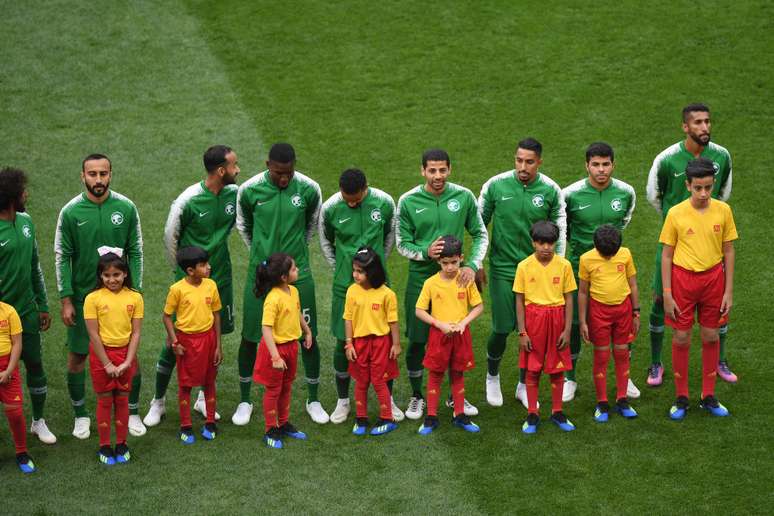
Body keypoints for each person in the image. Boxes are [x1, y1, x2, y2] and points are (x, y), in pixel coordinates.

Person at [144, 145, 238, 427]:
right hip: (188, 278)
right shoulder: (188, 200)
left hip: (220, 277)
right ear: (221, 170)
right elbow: (169, 236)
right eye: (235, 165)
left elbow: (239, 225)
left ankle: (201, 398)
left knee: (210, 340)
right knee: (175, 342)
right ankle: (158, 401)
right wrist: (186, 273)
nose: (238, 170)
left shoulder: (236, 194)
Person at [235, 143, 327, 425]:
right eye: (278, 173)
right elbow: (244, 226)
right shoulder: (249, 190)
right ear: (267, 165)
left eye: (289, 172)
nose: (284, 178)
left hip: (299, 274)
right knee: (251, 336)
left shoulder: (309, 189)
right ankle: (245, 399)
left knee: (307, 336)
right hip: (261, 275)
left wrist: (292, 258)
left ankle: (313, 399)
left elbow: (312, 224)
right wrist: (264, 257)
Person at [55, 154, 145, 439]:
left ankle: (132, 411)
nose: (98, 180)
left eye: (103, 174)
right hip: (85, 299)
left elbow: (137, 250)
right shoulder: (70, 212)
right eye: (92, 174)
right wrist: (66, 299)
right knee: (78, 357)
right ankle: (81, 415)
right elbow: (62, 256)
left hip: (122, 299)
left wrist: (136, 292)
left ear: (110, 174)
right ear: (82, 176)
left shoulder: (126, 207)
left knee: (132, 357)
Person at [646, 103, 735, 386]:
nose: (704, 127)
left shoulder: (722, 156)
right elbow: (654, 195)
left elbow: (723, 193)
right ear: (685, 126)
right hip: (674, 238)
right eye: (697, 123)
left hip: (709, 237)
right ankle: (655, 363)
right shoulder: (667, 159)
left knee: (718, 304)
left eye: (707, 121)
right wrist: (679, 220)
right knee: (661, 299)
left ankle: (720, 359)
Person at [396, 149, 488, 420]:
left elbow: (480, 233)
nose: (437, 176)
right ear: (422, 171)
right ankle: (417, 395)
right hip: (420, 279)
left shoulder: (463, 197)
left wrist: (471, 264)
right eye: (432, 170)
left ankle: (453, 396)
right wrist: (425, 252)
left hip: (456, 279)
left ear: (449, 169)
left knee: (455, 338)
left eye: (442, 170)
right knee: (417, 339)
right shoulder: (409, 201)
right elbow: (401, 243)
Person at [478, 138, 566, 408]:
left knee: (533, 333)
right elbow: (479, 224)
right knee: (503, 328)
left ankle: (522, 384)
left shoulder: (551, 190)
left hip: (537, 271)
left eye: (529, 161)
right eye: (519, 160)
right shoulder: (495, 185)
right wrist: (477, 262)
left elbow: (559, 229)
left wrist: (557, 268)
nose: (523, 166)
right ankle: (492, 376)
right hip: (503, 268)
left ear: (539, 161)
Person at [320, 168, 402, 424]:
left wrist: (375, 271)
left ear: (366, 188)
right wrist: (345, 270)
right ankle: (343, 401)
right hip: (345, 285)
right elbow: (326, 243)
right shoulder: (331, 208)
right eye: (348, 198)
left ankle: (388, 401)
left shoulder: (384, 202)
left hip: (379, 286)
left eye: (356, 198)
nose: (352, 202)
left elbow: (389, 235)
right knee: (342, 340)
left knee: (385, 342)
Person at [659, 158, 737, 420]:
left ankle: (708, 395)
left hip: (714, 280)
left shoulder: (723, 211)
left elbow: (728, 250)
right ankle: (681, 397)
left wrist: (728, 291)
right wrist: (668, 294)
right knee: (681, 337)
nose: (704, 194)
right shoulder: (675, 213)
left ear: (713, 183)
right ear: (688, 185)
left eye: (708, 187)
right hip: (683, 280)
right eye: (698, 188)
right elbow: (667, 256)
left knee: (711, 336)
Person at [562, 142, 638, 402]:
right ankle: (569, 377)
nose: (601, 170)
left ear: (613, 165)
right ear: (587, 166)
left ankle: (624, 380)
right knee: (573, 323)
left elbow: (624, 221)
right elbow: (565, 228)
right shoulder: (569, 195)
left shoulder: (626, 192)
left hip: (614, 270)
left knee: (622, 320)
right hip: (578, 267)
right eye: (595, 164)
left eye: (606, 164)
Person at [0, 167, 55, 444]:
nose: (27, 194)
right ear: (12, 196)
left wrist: (42, 304)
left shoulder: (26, 222)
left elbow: (35, 267)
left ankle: (38, 421)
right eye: (23, 190)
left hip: (27, 311)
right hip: (1, 320)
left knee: (35, 363)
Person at [415, 235, 484, 435]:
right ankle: (431, 417)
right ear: (438, 261)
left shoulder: (466, 279)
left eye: (454, 262)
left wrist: (463, 323)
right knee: (435, 374)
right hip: (439, 335)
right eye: (445, 263)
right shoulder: (430, 283)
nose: (450, 267)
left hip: (461, 335)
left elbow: (479, 307)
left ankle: (459, 414)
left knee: (458, 373)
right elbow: (419, 310)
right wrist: (439, 324)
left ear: (461, 258)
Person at [515, 221, 577, 434]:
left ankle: (557, 411)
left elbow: (569, 299)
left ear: (555, 243)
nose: (546, 248)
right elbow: (519, 301)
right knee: (532, 369)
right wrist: (522, 332)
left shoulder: (564, 265)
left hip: (557, 319)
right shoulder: (524, 266)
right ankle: (533, 413)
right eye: (541, 243)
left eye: (550, 243)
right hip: (534, 321)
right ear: (533, 243)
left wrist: (567, 330)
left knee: (557, 369)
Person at [83, 252, 143, 465]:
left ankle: (122, 443)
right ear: (100, 276)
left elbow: (136, 333)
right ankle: (105, 445)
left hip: (125, 354)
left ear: (125, 274)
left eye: (116, 274)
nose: (112, 279)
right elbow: (93, 334)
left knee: (122, 399)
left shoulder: (135, 297)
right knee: (105, 400)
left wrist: (127, 361)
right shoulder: (92, 298)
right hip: (101, 356)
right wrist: (107, 363)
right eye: (106, 275)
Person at [578, 225, 640, 423]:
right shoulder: (586, 259)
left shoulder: (625, 254)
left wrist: (636, 312)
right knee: (602, 356)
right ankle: (602, 402)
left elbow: (633, 284)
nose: (609, 257)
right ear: (596, 246)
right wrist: (582, 321)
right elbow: (582, 292)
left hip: (623, 311)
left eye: (612, 254)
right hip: (598, 313)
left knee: (622, 353)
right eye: (606, 255)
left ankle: (622, 399)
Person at [162, 247, 223, 444]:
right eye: (203, 265)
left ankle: (210, 421)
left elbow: (216, 314)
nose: (208, 268)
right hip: (187, 342)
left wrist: (218, 345)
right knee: (186, 384)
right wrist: (174, 341)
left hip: (208, 339)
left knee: (209, 382)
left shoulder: (211, 285)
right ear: (190, 271)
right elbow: (166, 317)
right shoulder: (177, 290)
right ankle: (186, 425)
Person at [252, 254, 311, 449]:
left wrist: (307, 331)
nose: (298, 271)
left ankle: (283, 423)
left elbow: (297, 312)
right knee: (273, 390)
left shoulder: (293, 291)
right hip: (275, 351)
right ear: (283, 277)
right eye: (294, 269)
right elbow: (266, 328)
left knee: (286, 386)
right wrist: (275, 356)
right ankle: (270, 429)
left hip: (291, 346)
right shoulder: (273, 299)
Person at [344, 247, 401, 436]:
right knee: (361, 381)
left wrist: (396, 344)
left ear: (372, 272)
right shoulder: (352, 291)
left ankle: (387, 418)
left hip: (380, 344)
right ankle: (361, 418)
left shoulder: (387, 294)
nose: (355, 275)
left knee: (378, 380)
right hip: (359, 344)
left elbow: (393, 321)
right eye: (354, 270)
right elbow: (348, 318)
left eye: (360, 271)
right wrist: (349, 343)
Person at [0, 298, 37, 473]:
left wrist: (8, 371)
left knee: (15, 412)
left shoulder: (9, 311)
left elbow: (17, 344)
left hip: (8, 367)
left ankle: (22, 452)